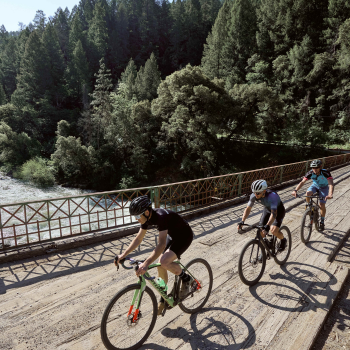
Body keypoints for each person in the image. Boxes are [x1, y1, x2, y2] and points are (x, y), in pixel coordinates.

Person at [115, 195, 194, 315]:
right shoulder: (146, 218)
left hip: (184, 236)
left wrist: (146, 263)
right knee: (160, 265)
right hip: (173, 235)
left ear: (146, 212)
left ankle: (187, 278)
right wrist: (123, 254)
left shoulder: (161, 217)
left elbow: (161, 244)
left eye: (137, 216)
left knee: (164, 261)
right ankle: (163, 299)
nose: (136, 219)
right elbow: (138, 239)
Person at [237, 179, 287, 251]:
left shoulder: (272, 196)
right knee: (260, 230)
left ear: (264, 191)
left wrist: (268, 225)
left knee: (273, 230)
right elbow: (248, 209)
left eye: (258, 193)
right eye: (254, 192)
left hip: (278, 210)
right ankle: (265, 250)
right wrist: (242, 221)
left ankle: (283, 240)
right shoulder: (253, 196)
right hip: (267, 209)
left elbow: (274, 213)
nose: (255, 195)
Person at [292, 159, 334, 230]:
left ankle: (322, 221)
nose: (314, 169)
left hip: (324, 187)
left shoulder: (325, 172)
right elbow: (302, 182)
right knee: (307, 193)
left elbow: (331, 184)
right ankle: (309, 206)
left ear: (320, 167)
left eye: (316, 168)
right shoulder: (310, 173)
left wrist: (330, 194)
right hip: (315, 185)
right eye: (313, 168)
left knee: (322, 204)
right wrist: (295, 190)